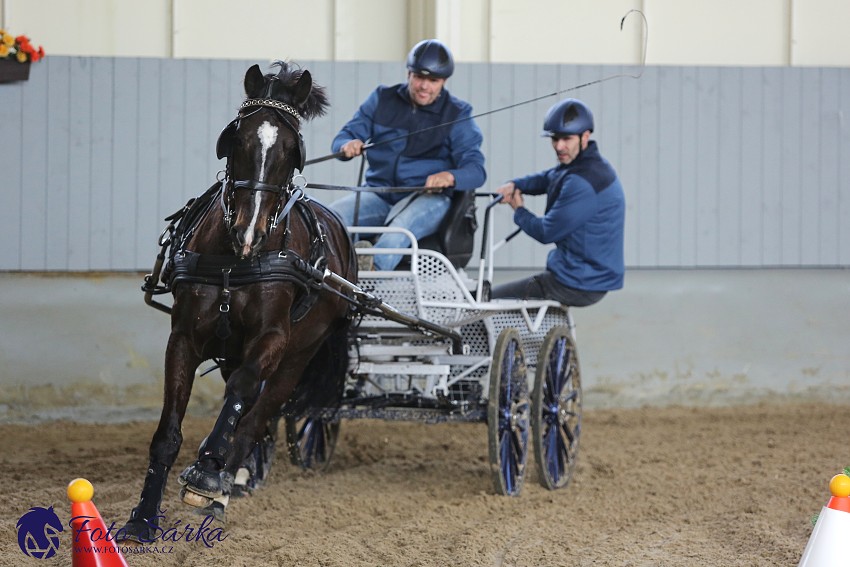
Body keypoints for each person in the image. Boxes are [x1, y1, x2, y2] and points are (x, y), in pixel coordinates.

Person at [330, 39, 486, 270]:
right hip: (379, 193)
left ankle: (369, 279)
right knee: (330, 219)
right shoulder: (382, 98)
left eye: (433, 80)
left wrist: (450, 176)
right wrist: (347, 145)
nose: (425, 86)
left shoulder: (458, 113)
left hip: (428, 198)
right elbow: (343, 138)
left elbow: (476, 170)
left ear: (443, 82)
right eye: (419, 77)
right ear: (408, 74)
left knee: (397, 230)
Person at [491, 98, 625, 306]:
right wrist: (515, 184)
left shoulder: (584, 181)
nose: (559, 146)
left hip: (578, 282)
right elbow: (550, 177)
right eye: (554, 138)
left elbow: (546, 232)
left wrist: (519, 210)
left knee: (489, 301)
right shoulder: (585, 164)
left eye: (566, 139)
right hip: (587, 274)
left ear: (585, 136)